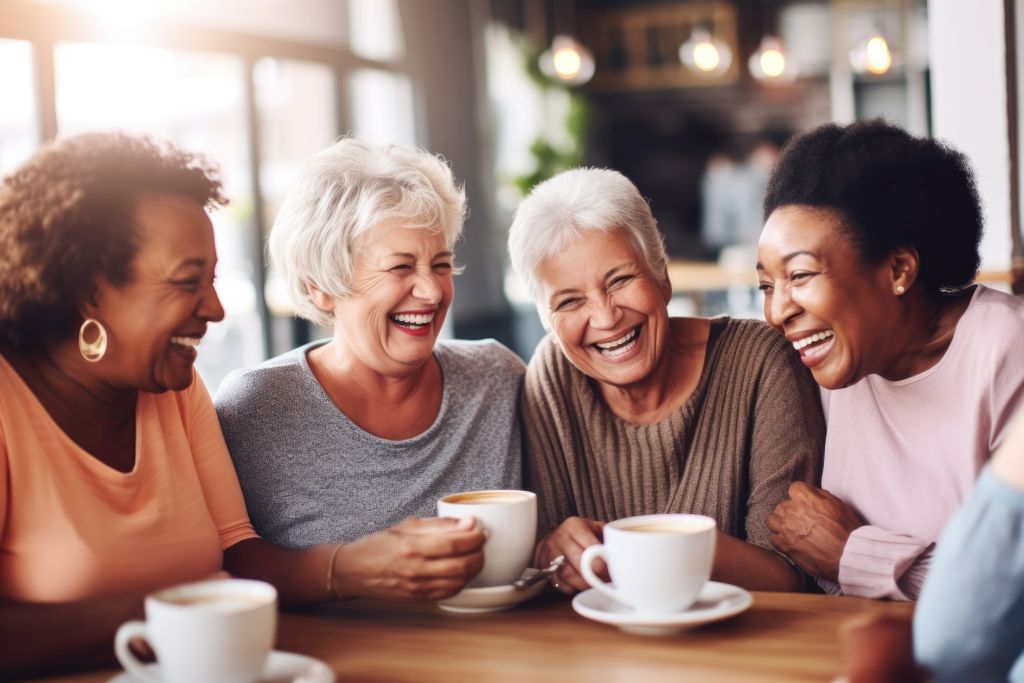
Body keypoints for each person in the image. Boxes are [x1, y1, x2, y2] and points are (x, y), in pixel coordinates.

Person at [0, 133, 484, 679]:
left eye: (211, 279)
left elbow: (239, 554)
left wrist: (355, 567)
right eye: (187, 282)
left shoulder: (177, 392)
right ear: (88, 291)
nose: (216, 308)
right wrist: (163, 614)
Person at [214, 139, 524, 578]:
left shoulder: (496, 378)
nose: (433, 291)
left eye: (439, 265)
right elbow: (235, 562)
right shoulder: (257, 406)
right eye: (400, 268)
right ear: (319, 285)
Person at [508, 167, 825, 594]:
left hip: (739, 648)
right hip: (598, 648)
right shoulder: (552, 376)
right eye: (570, 302)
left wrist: (650, 546)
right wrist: (551, 549)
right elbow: (548, 562)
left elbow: (789, 577)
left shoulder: (761, 362)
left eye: (620, 280)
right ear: (548, 321)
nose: (605, 318)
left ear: (662, 275)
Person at [757, 119, 1024, 600]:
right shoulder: (827, 362)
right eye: (766, 286)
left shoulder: (1006, 348)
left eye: (799, 275)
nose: (777, 312)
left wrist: (853, 554)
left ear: (898, 269)